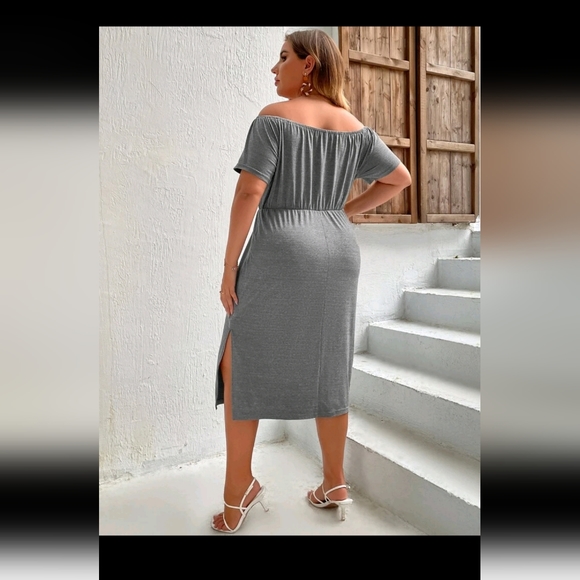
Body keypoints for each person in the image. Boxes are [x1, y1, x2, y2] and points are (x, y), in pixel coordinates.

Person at [212, 29, 412, 533]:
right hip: (339, 250)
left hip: (281, 247)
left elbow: (249, 193)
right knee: (330, 361)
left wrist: (229, 265)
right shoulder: (354, 128)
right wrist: (344, 211)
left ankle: (237, 494)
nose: (274, 67)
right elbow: (400, 178)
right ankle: (335, 482)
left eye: (283, 57)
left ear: (309, 65)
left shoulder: (273, 119)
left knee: (240, 361)